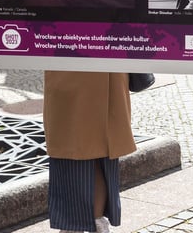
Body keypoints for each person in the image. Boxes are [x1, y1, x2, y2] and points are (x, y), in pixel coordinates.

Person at [44, 71, 136, 233]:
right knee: (82, 150)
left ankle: (87, 224)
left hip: (88, 65)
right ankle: (86, 224)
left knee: (89, 150)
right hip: (75, 65)